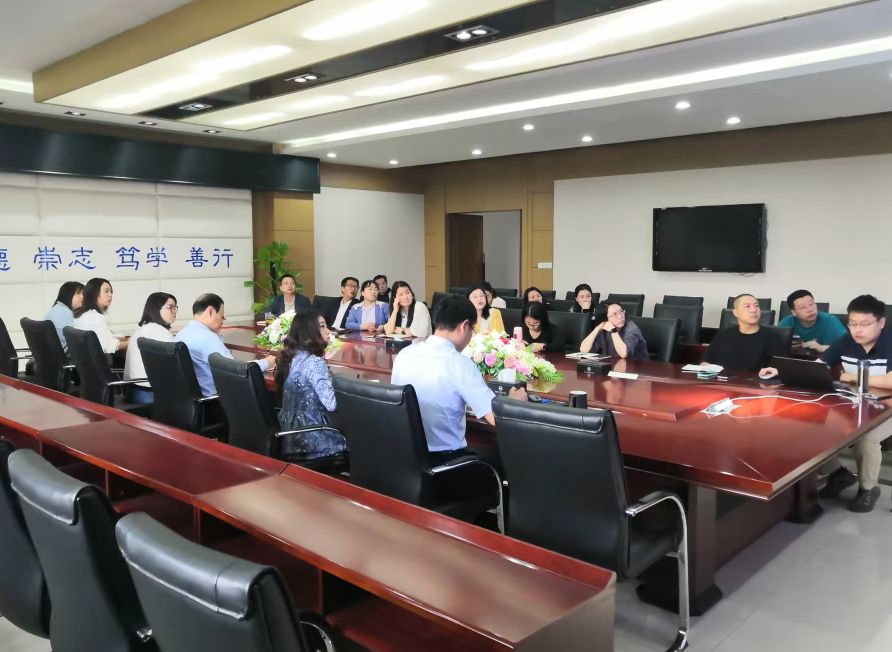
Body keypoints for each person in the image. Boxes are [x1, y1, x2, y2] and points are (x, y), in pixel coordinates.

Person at [391, 294, 526, 465]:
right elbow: (497, 419)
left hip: (404, 459)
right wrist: (514, 401)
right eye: (472, 330)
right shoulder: (460, 364)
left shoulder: (404, 354)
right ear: (464, 326)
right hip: (446, 462)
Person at [815, 294, 892, 513]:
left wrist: (853, 376)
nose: (858, 330)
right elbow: (819, 366)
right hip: (855, 404)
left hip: (888, 408)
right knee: (813, 427)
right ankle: (838, 474)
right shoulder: (846, 341)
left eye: (865, 324)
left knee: (866, 437)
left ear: (881, 322)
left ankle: (868, 488)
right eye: (853, 324)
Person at [274, 311, 348, 459]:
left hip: (287, 436)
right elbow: (332, 404)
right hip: (311, 438)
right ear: (309, 331)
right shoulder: (315, 362)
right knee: (361, 438)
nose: (328, 331)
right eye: (322, 326)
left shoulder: (293, 355)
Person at [175, 293, 276, 397]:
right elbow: (235, 372)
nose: (222, 321)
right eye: (222, 316)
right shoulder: (208, 338)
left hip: (194, 400)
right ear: (210, 311)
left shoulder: (181, 334)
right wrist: (267, 362)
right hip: (218, 400)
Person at [705, 294, 785, 375]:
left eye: (757, 306)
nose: (753, 310)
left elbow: (781, 369)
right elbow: (706, 361)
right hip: (722, 381)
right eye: (747, 306)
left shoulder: (773, 337)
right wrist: (705, 366)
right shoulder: (723, 335)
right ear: (736, 312)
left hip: (756, 382)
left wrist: (776, 371)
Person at [124, 293, 177, 405]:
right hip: (147, 393)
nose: (174, 311)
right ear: (156, 309)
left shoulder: (144, 329)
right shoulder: (159, 332)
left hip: (132, 391)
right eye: (170, 307)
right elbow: (177, 364)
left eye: (175, 307)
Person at [71, 277, 128, 354]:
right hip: (101, 359)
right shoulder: (96, 317)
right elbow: (109, 347)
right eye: (106, 291)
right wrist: (132, 342)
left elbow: (100, 337)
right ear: (94, 293)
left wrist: (123, 338)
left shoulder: (84, 314)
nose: (110, 295)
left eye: (111, 292)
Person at [778, 289, 846, 352]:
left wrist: (821, 348)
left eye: (811, 304)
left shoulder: (830, 321)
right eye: (803, 307)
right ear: (794, 312)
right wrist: (786, 347)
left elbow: (848, 347)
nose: (810, 309)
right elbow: (775, 347)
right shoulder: (786, 324)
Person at [579, 302, 648, 359]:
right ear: (605, 319)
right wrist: (597, 329)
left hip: (637, 369)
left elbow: (624, 353)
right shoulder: (603, 330)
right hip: (613, 367)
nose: (620, 316)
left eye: (621, 311)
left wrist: (613, 331)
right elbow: (584, 350)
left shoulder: (631, 328)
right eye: (614, 314)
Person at [45, 281, 84, 351]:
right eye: (78, 293)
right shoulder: (65, 312)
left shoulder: (57, 308)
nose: (82, 297)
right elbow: (72, 339)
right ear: (67, 295)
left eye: (83, 294)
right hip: (63, 354)